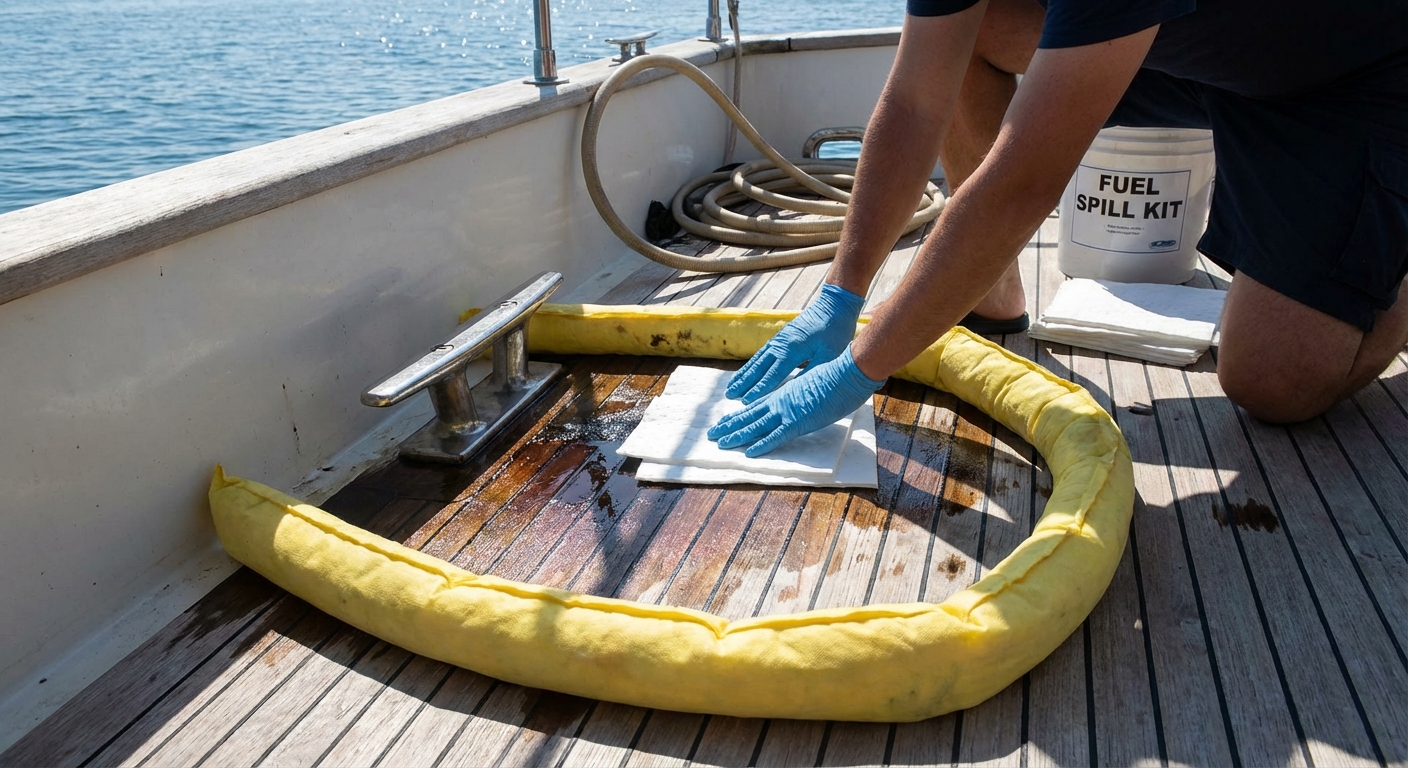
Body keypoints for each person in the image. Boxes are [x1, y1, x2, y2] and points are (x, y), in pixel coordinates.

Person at [709, 0, 1408, 457]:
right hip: (1199, 46)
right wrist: (842, 291)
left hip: (1342, 82)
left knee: (1273, 385)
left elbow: (1023, 182)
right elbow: (918, 98)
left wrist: (862, 366)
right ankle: (992, 294)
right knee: (980, 27)